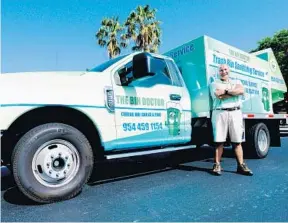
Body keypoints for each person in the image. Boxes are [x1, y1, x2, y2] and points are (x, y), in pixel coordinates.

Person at [209, 64, 253, 176]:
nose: (223, 71)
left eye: (225, 69)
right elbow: (219, 95)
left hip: (236, 112)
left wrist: (226, 91)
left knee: (237, 141)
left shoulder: (237, 81)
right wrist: (233, 91)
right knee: (219, 141)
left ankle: (241, 166)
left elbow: (241, 90)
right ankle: (217, 165)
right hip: (220, 112)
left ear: (229, 71)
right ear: (218, 72)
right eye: (221, 70)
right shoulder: (214, 83)